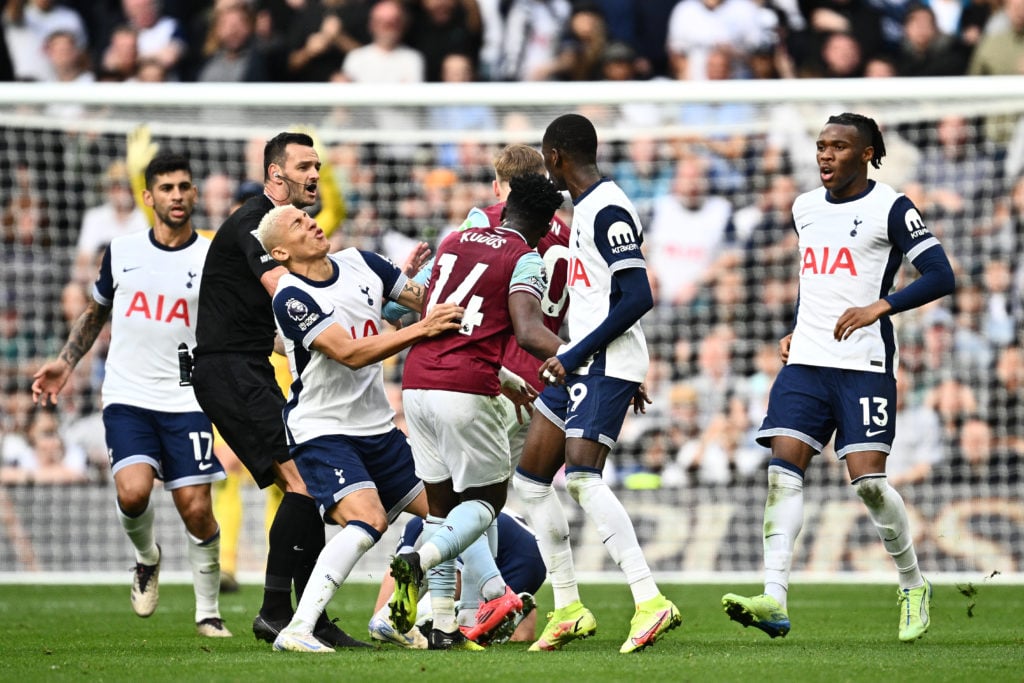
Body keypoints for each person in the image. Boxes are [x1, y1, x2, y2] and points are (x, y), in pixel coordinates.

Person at [721, 112, 956, 643]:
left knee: (869, 484)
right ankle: (774, 599)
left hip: (864, 363)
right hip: (806, 359)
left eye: (839, 147)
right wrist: (796, 327)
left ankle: (913, 583)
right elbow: (816, 279)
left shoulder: (891, 206)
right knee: (783, 468)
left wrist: (882, 306)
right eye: (822, 145)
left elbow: (942, 275)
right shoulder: (804, 207)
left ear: (868, 153)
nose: (825, 155)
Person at [31, 153, 232, 637]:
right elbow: (96, 311)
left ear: (194, 193)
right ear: (149, 197)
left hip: (186, 398)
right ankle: (146, 559)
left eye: (185, 186)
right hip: (128, 394)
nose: (177, 196)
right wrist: (66, 360)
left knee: (197, 508)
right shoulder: (120, 251)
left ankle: (208, 612)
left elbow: (235, 320)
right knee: (134, 490)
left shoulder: (211, 256)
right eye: (167, 188)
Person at [250, 204, 463, 653]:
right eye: (296, 223)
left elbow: (422, 300)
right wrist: (422, 330)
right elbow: (349, 352)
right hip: (323, 431)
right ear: (282, 251)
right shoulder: (291, 296)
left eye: (309, 217)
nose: (310, 221)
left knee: (452, 516)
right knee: (370, 519)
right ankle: (298, 627)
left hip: (378, 430)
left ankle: (402, 617)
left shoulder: (363, 262)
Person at [511, 113, 681, 654]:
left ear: (557, 157)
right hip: (583, 363)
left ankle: (650, 599)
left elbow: (638, 296)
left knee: (582, 478)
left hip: (598, 363)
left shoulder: (608, 208)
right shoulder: (585, 208)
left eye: (545, 157)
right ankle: (568, 607)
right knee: (532, 482)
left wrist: (579, 354)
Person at [190, 131, 368, 649]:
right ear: (276, 174)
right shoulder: (254, 226)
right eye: (304, 166)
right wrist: (338, 333)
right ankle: (280, 614)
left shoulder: (278, 225)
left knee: (306, 485)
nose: (314, 174)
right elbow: (283, 289)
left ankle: (304, 615)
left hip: (250, 367)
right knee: (303, 484)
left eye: (318, 166)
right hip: (229, 371)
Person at [388, 173, 567, 651]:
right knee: (487, 503)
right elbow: (529, 331)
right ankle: (421, 562)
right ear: (546, 222)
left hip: (416, 382)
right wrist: (581, 357)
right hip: (465, 388)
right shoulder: (524, 256)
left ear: (505, 205)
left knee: (441, 510)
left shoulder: (454, 238)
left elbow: (413, 302)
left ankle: (445, 625)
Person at [368, 510, 546, 648]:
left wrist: (385, 616)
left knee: (433, 575)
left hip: (508, 550)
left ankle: (448, 622)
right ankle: (467, 621)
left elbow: (398, 572)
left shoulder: (420, 523)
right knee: (519, 635)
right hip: (534, 555)